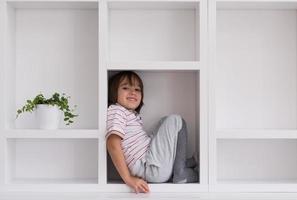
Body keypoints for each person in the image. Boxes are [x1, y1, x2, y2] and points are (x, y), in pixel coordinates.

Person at [106, 71, 198, 193]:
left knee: (164, 121)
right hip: (149, 168)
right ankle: (181, 171)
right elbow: (112, 144)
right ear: (113, 92)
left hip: (151, 167)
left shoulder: (130, 114)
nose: (133, 92)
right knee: (175, 120)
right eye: (125, 88)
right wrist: (128, 178)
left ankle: (180, 166)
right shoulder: (117, 110)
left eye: (137, 89)